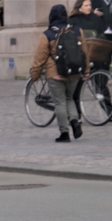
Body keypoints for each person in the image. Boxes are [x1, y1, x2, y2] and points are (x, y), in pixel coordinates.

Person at [30, 4, 90, 142]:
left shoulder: (48, 34)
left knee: (60, 102)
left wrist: (35, 75)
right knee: (69, 98)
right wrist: (86, 70)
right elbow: (85, 53)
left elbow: (40, 58)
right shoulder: (77, 30)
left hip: (55, 74)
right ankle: (75, 121)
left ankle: (64, 133)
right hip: (74, 73)